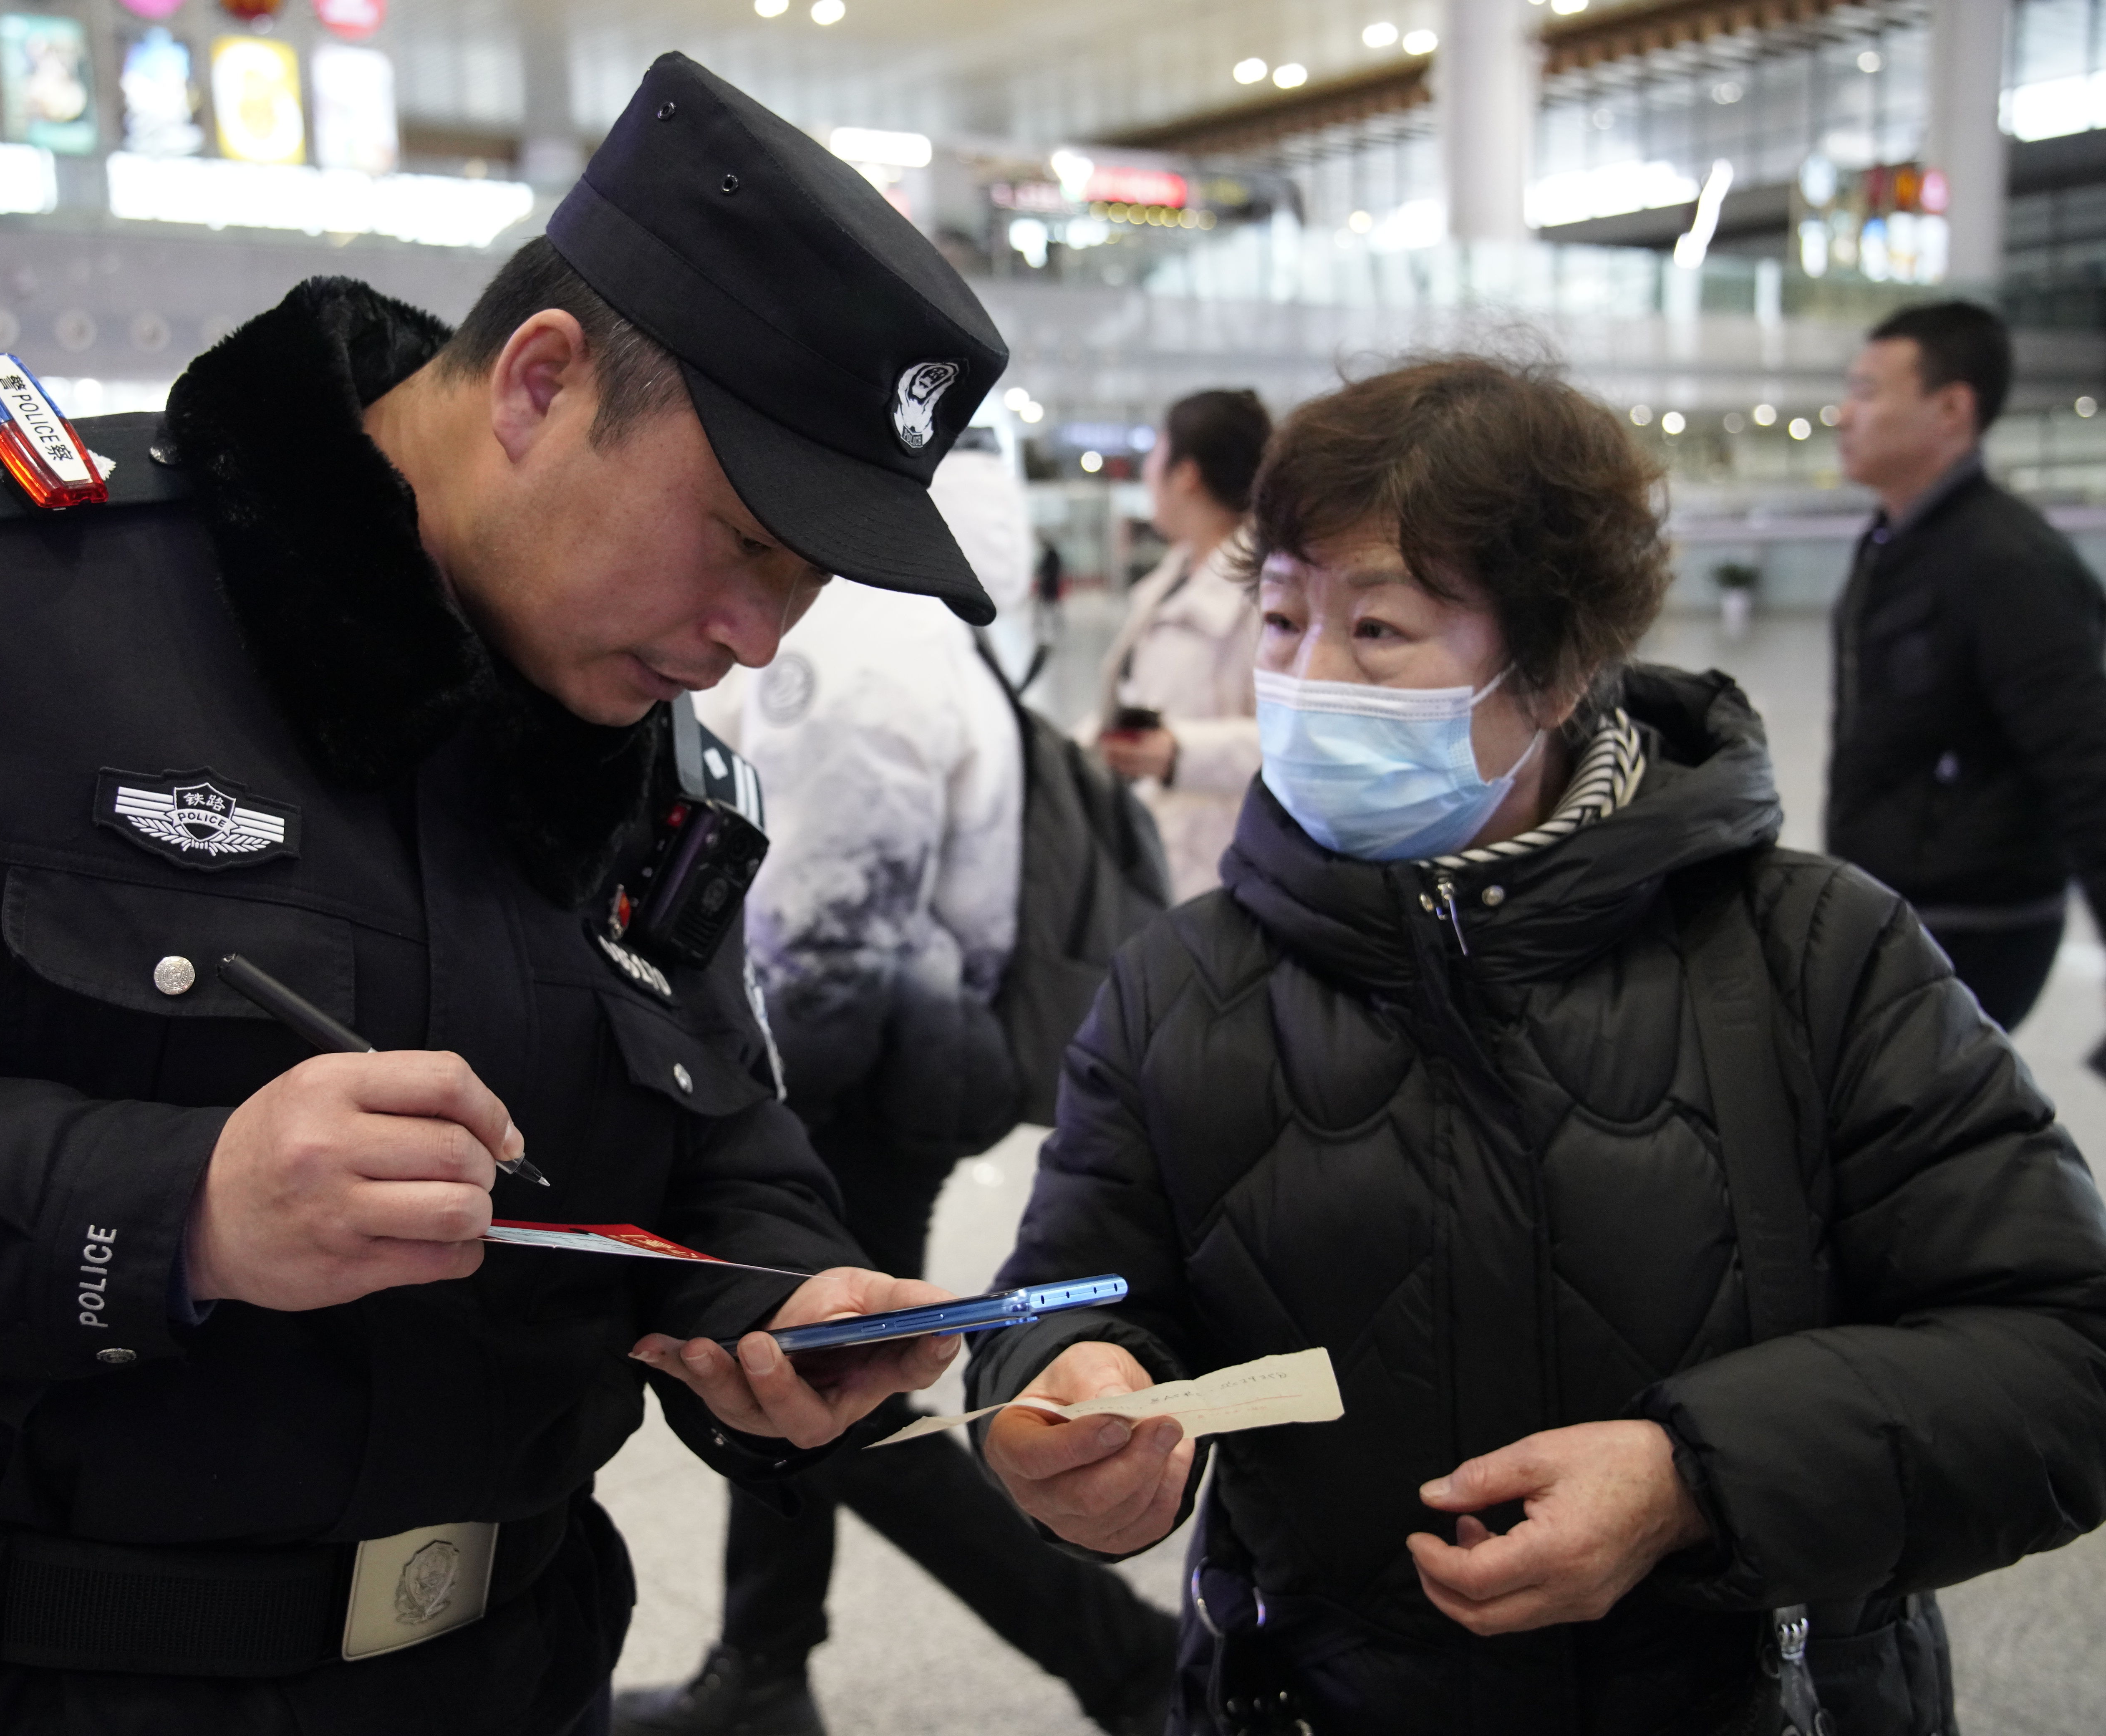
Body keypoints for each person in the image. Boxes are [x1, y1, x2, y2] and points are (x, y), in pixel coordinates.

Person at [0, 53, 1016, 1736]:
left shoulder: (645, 766)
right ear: (536, 382)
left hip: (512, 1676)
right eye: (741, 540)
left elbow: (716, 1139)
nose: (758, 638)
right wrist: (176, 1210)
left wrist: (781, 1296)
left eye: (803, 587)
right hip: (13, 1683)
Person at [965, 356, 2106, 1735]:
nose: (1309, 682)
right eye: (1279, 619)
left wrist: (1699, 1482)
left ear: (1559, 667)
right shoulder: (1176, 985)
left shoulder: (1814, 954)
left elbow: (2061, 1353)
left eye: (1378, 630)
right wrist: (1060, 1387)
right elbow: (1062, 1297)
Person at [617, 435, 1177, 1736]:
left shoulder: (860, 641)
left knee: (815, 1389)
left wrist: (732, 1126)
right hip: (906, 1071)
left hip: (845, 1090)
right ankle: (761, 1663)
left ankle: (1123, 1658)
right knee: (792, 1381)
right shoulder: (926, 621)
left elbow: (825, 933)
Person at [1827, 299, 2106, 1031]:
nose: (1842, 415)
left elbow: (2084, 757)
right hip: (1900, 905)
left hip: (1977, 923)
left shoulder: (2006, 560)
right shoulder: (1892, 542)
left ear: (1950, 408)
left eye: (1866, 393)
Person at [1089, 389, 1273, 902]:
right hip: (1159, 858)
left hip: (1227, 871)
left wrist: (1180, 753)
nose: (1148, 473)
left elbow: (1299, 741)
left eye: (1156, 455)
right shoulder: (1172, 578)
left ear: (1186, 473)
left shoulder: (1269, 591)